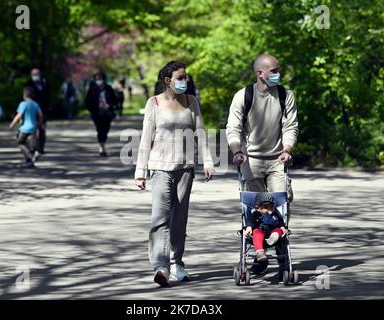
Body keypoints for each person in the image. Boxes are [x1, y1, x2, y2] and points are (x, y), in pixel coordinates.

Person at [134, 61, 215, 287]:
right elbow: (145, 138)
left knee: (179, 219)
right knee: (160, 218)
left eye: (186, 77)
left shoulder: (191, 102)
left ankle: (177, 262)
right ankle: (161, 266)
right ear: (168, 80)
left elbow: (201, 133)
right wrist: (140, 171)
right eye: (180, 77)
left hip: (185, 168)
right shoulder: (155, 103)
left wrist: (207, 161)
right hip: (160, 168)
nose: (185, 81)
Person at [226, 53, 298, 273]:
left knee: (281, 204)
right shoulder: (244, 96)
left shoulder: (285, 95)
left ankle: (280, 246)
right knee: (255, 210)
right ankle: (259, 252)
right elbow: (233, 128)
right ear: (261, 73)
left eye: (278, 70)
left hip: (277, 160)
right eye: (274, 71)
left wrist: (287, 149)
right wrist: (237, 150)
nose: (278, 74)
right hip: (251, 161)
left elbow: (290, 127)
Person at [243, 192, 287, 261]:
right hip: (260, 231)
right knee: (256, 232)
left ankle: (274, 237)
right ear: (258, 207)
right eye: (266, 207)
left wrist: (282, 227)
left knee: (279, 230)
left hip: (272, 231)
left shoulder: (275, 212)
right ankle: (260, 252)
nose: (270, 210)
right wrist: (249, 227)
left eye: (271, 207)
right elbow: (250, 220)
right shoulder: (256, 213)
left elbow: (280, 220)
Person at [84, 72, 117, 157]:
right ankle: (101, 147)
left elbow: (114, 100)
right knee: (99, 129)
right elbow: (87, 102)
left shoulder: (108, 88)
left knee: (105, 129)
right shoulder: (92, 89)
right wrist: (93, 110)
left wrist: (110, 105)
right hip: (97, 113)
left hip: (107, 113)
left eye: (100, 78)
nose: (99, 80)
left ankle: (103, 142)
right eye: (97, 78)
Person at [9, 87, 43, 168]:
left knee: (20, 143)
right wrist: (39, 124)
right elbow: (41, 115)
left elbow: (19, 115)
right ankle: (35, 152)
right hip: (33, 128)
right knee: (28, 142)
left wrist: (12, 124)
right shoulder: (35, 104)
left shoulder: (23, 104)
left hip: (24, 128)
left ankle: (29, 159)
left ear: (24, 95)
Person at [26, 68, 50, 157]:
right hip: (32, 111)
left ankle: (41, 148)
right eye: (34, 74)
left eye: (37, 74)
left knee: (42, 130)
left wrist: (48, 107)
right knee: (33, 130)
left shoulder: (44, 83)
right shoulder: (29, 84)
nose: (35, 76)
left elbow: (48, 96)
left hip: (43, 111)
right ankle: (33, 148)